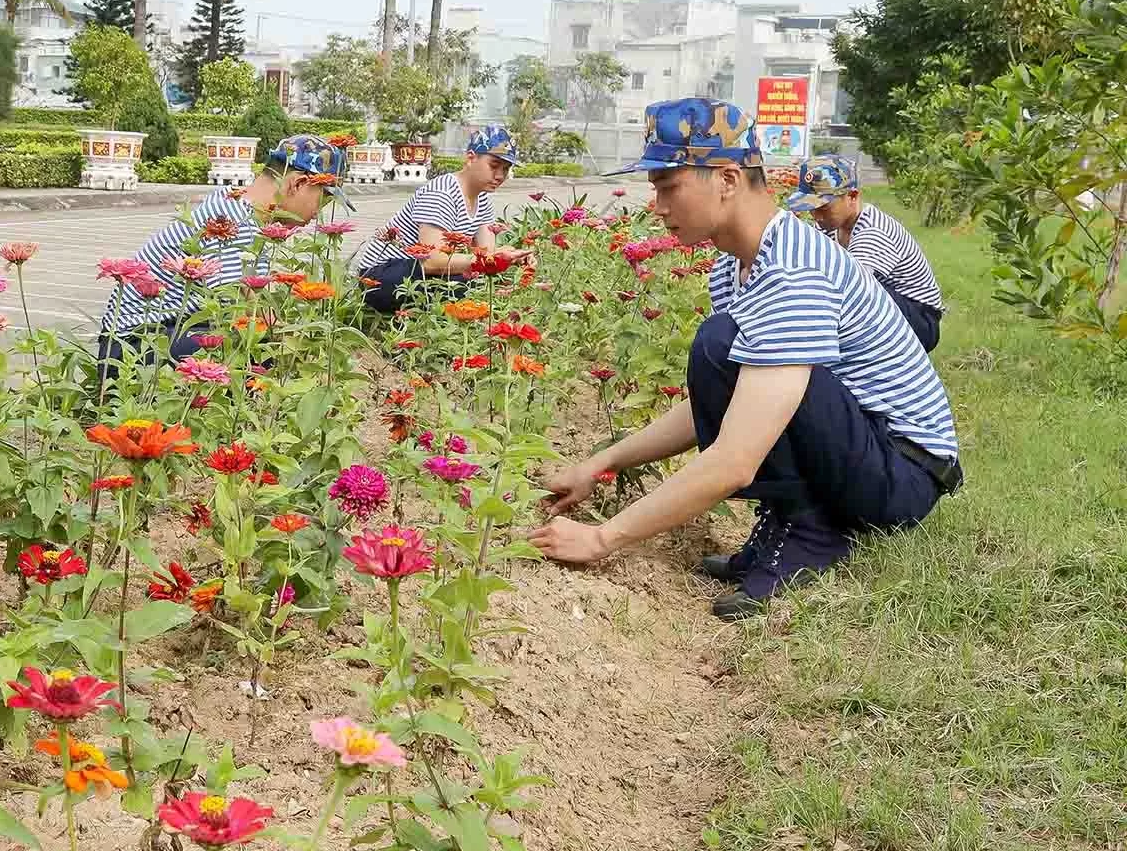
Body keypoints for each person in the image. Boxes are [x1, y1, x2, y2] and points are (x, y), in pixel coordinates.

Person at [529, 98, 962, 621]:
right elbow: (722, 401)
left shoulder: (794, 271)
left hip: (903, 475)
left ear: (727, 179)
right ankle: (798, 516)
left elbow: (735, 460)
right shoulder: (735, 265)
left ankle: (810, 530)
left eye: (669, 186)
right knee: (721, 347)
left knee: (719, 341)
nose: (657, 205)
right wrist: (600, 464)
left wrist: (602, 538)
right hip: (865, 450)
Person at [96, 133, 348, 369]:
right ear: (298, 183)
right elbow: (240, 306)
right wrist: (302, 349)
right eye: (323, 198)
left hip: (171, 331)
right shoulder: (229, 221)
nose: (319, 213)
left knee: (254, 343)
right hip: (134, 347)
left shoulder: (238, 206)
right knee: (251, 344)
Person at [354, 125, 523, 313]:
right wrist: (492, 259)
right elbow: (433, 261)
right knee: (466, 285)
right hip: (383, 274)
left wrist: (512, 256)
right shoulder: (442, 193)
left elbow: (486, 253)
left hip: (419, 272)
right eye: (493, 166)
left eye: (506, 169)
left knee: (480, 282)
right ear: (471, 158)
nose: (500, 176)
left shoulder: (482, 199)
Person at [784, 154, 945, 352]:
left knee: (847, 286)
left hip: (920, 320)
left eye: (824, 208)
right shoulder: (832, 225)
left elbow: (850, 292)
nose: (816, 216)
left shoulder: (872, 232)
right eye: (811, 208)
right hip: (891, 306)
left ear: (852, 196)